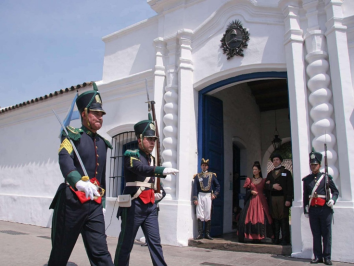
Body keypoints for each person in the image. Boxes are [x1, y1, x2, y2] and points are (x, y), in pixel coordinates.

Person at [48, 84, 114, 265]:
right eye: (95, 113)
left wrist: (103, 201)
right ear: (84, 113)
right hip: (72, 202)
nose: (100, 117)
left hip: (93, 204)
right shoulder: (71, 136)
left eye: (101, 114)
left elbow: (102, 176)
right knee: (61, 252)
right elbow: (64, 160)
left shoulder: (102, 143)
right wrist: (78, 182)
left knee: (101, 253)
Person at [114, 117, 179, 266]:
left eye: (154, 139)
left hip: (150, 207)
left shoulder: (151, 159)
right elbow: (140, 169)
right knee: (126, 244)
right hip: (133, 206)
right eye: (149, 139)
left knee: (155, 243)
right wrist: (160, 170)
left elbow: (153, 182)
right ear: (140, 139)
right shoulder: (131, 155)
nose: (152, 142)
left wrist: (160, 193)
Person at [303, 148, 339, 265]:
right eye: (311, 165)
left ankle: (327, 257)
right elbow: (305, 195)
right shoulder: (307, 179)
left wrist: (333, 200)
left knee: (326, 234)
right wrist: (305, 208)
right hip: (313, 209)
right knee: (316, 234)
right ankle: (317, 256)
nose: (313, 167)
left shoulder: (326, 178)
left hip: (325, 209)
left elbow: (335, 192)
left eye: (315, 165)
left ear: (319, 165)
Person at [238, 161, 273, 243]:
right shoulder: (249, 180)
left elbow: (267, 190)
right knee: (250, 217)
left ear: (259, 170)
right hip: (252, 201)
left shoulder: (264, 180)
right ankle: (251, 235)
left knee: (261, 217)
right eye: (253, 169)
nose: (254, 171)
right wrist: (251, 192)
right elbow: (246, 190)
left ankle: (260, 236)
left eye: (256, 169)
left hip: (261, 201)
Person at [265, 153, 293, 245]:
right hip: (273, 198)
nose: (275, 161)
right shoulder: (270, 174)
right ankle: (275, 238)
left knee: (283, 219)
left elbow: (290, 187)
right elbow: (266, 186)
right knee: (275, 219)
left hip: (283, 198)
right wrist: (272, 186)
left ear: (280, 161)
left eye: (277, 160)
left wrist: (289, 199)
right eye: (273, 160)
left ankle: (285, 239)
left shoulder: (286, 172)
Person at [192, 158, 220, 240]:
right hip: (200, 195)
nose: (204, 167)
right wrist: (195, 198)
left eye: (205, 165)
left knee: (208, 213)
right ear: (201, 166)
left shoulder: (212, 175)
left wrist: (215, 194)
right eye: (203, 165)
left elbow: (218, 186)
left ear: (207, 167)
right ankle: (200, 233)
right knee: (200, 214)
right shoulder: (197, 176)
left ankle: (207, 233)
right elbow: (195, 188)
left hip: (208, 195)